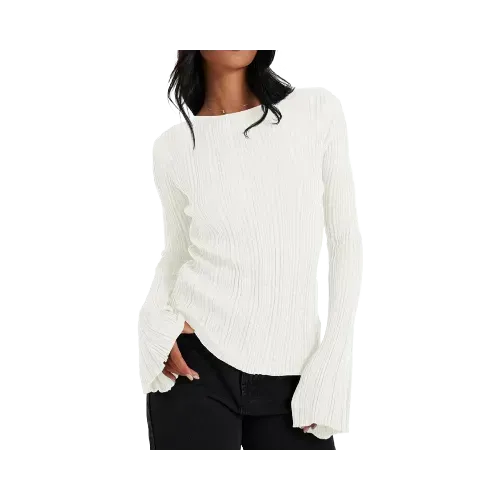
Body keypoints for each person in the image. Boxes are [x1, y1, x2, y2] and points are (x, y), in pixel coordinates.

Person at [140, 48, 361, 456]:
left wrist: (332, 363)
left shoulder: (315, 112)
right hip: (196, 366)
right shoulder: (174, 146)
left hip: (296, 375)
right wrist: (153, 328)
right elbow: (174, 254)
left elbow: (346, 241)